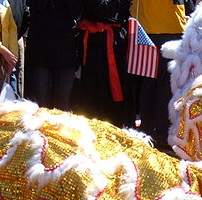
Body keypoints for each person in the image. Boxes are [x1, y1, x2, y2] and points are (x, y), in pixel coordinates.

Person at [129, 0, 188, 149]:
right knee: (165, 84)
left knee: (148, 80)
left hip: (144, 24)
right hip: (169, 25)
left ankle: (147, 130)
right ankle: (161, 133)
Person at [70, 0, 135, 127]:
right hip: (95, 45)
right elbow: (102, 11)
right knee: (94, 88)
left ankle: (117, 125)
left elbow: (124, 11)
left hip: (117, 42)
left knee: (118, 87)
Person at [24, 0, 81, 110]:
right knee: (40, 104)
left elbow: (76, 11)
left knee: (62, 104)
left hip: (65, 52)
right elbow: (35, 4)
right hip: (40, 51)